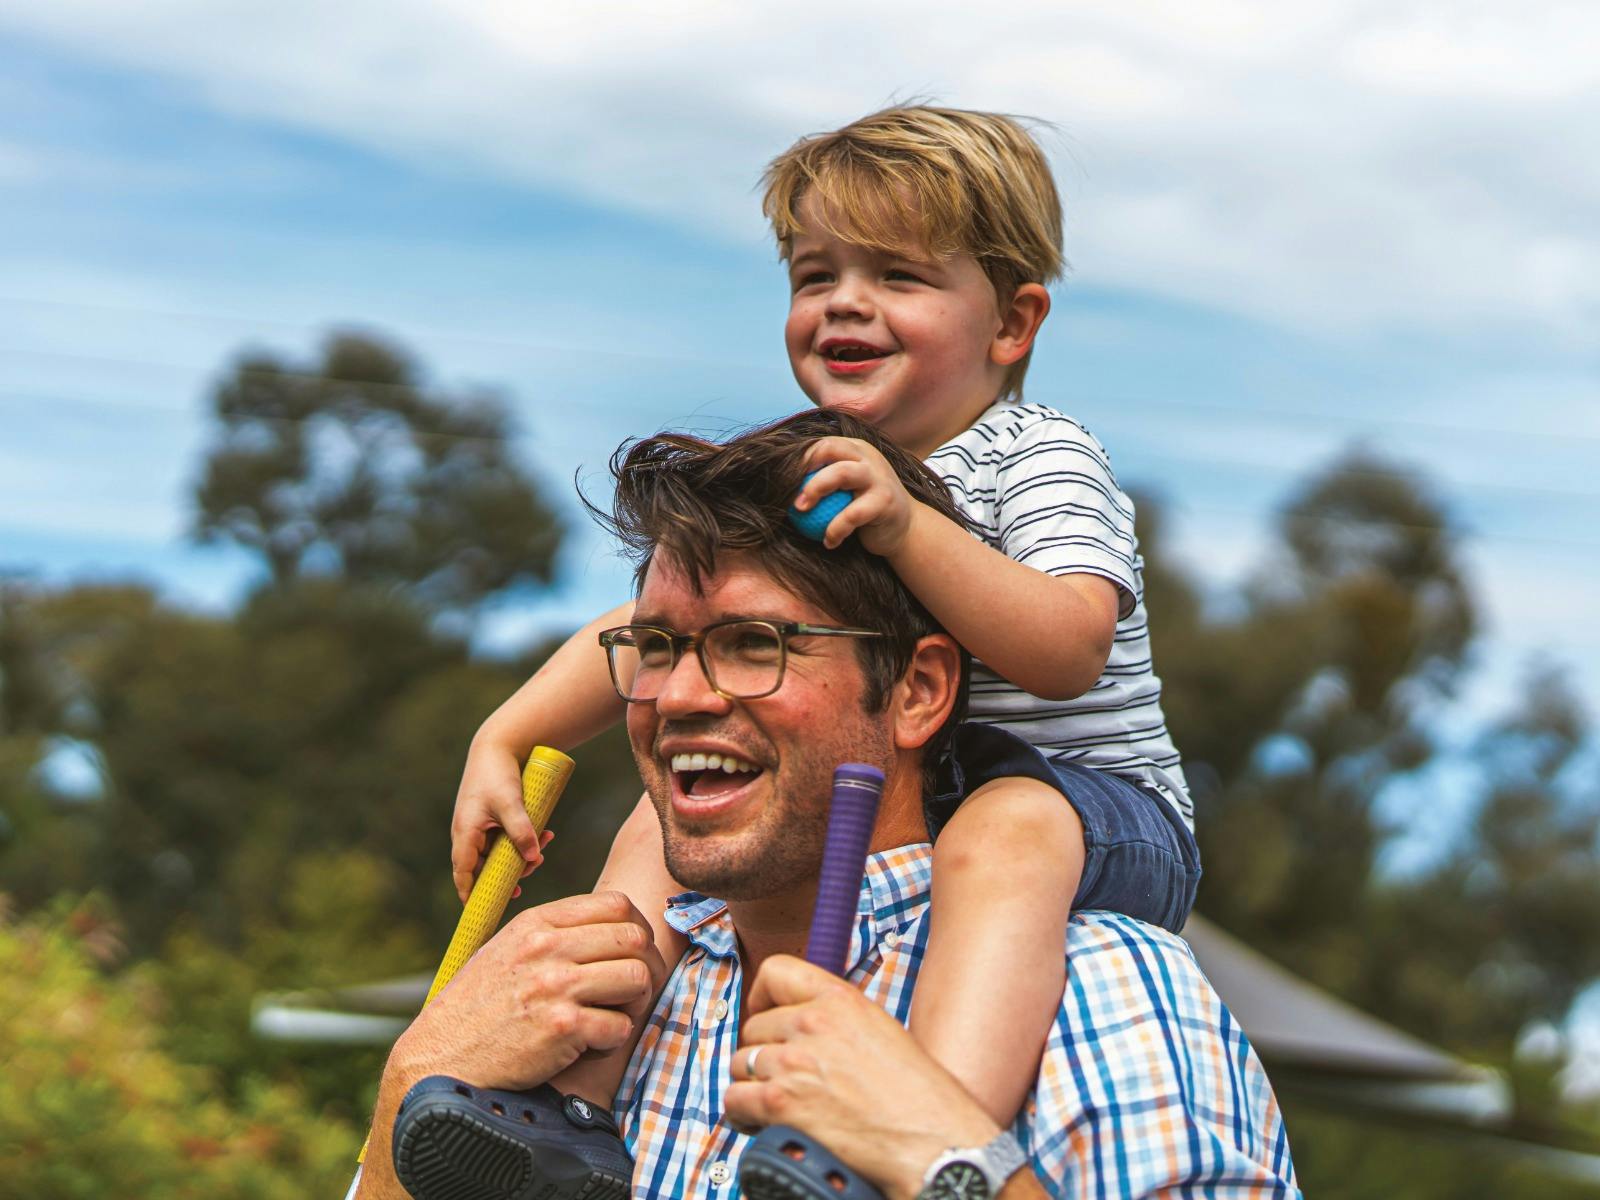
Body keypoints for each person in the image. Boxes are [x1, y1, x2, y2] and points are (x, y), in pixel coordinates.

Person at [448, 106, 1200, 1181]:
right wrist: (504, 733)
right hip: (933, 784)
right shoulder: (823, 467)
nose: (846, 302)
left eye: (898, 275)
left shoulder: (1037, 456)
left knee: (1006, 828)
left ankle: (896, 1128)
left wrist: (908, 527)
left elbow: (1071, 643)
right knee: (652, 830)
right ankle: (567, 1115)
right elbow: (657, 629)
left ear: (1012, 324)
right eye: (815, 276)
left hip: (1095, 810)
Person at [351, 416, 1297, 1200]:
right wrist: (412, 1080)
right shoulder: (565, 1029)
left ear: (920, 693)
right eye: (654, 646)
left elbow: (1073, 634)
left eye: (755, 643)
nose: (679, 695)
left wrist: (949, 1161)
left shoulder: (1105, 998)